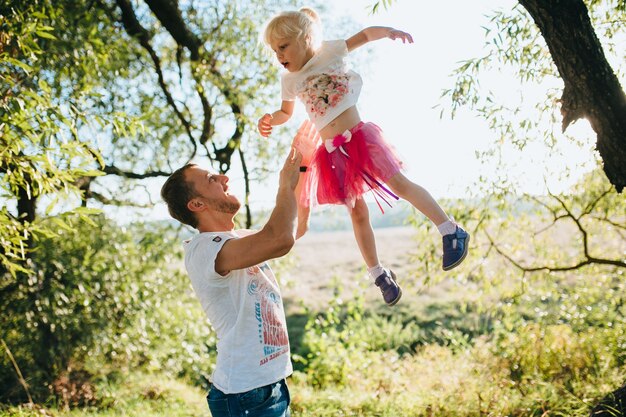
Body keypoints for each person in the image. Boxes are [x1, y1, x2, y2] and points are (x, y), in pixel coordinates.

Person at [258, 8, 470, 307]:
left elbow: (366, 35)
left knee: (400, 184)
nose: (279, 55)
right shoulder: (289, 80)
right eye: (274, 50)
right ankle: (379, 274)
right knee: (357, 212)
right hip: (331, 152)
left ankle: (451, 230)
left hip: (359, 139)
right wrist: (271, 119)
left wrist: (390, 32)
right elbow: (285, 112)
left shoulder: (330, 51)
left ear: (305, 39)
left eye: (283, 46)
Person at [160, 121, 319, 417]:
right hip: (246, 394)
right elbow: (280, 239)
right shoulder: (202, 249)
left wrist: (304, 168)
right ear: (196, 204)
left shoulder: (238, 240)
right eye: (211, 179)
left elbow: (296, 227)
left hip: (267, 385)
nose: (223, 177)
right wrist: (284, 184)